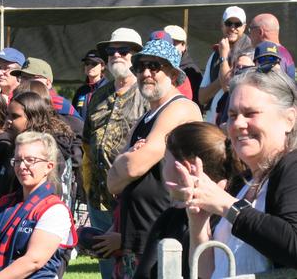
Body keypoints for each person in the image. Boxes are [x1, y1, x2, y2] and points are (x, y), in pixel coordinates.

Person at [165, 69, 297, 278]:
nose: (238, 124)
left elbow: (293, 244)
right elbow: (207, 273)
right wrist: (199, 222)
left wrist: (227, 206)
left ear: (289, 119)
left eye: (251, 113)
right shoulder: (242, 182)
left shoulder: (292, 167)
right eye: (233, 115)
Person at [106, 33, 202, 275]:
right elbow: (112, 183)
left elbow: (131, 169)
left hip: (165, 237)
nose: (145, 73)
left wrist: (128, 159)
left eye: (154, 66)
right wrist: (128, 158)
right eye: (140, 66)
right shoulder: (143, 119)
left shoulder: (180, 108)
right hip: (135, 240)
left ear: (172, 73)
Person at [133, 122, 245, 279]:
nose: (163, 169)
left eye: (165, 160)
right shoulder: (239, 211)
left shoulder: (175, 219)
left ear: (185, 167)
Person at [82, 27, 147, 279]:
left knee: (132, 266)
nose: (116, 55)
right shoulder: (98, 94)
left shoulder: (146, 93)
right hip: (98, 196)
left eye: (124, 50)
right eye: (111, 51)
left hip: (129, 197)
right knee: (107, 269)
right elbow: (87, 142)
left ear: (137, 56)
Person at [0, 131, 77, 278]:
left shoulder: (55, 210)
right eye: (17, 160)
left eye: (30, 160)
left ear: (49, 166)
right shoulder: (2, 203)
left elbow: (33, 261)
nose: (22, 166)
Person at [198, 6, 252, 124]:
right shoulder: (215, 55)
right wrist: (221, 79)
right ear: (222, 25)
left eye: (237, 24)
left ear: (244, 27)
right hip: (213, 124)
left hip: (233, 123)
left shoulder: (249, 53)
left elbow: (227, 86)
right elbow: (202, 97)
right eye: (229, 23)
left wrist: (223, 57)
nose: (232, 28)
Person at [11, 57, 80, 121]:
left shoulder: (57, 103)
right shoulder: (22, 100)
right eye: (22, 77)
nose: (24, 82)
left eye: (31, 77)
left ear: (48, 83)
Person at [164, 25, 203, 106]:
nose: (169, 47)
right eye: (166, 43)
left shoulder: (191, 71)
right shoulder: (158, 65)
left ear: (183, 46)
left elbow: (195, 103)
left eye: (174, 44)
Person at [72, 50, 108, 121]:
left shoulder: (109, 89)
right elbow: (73, 114)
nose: (89, 66)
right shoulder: (81, 91)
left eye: (94, 63)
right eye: (87, 63)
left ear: (102, 66)